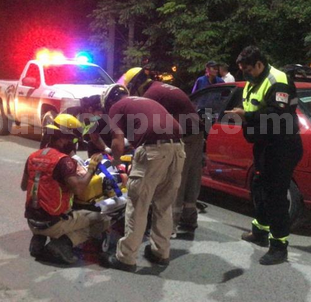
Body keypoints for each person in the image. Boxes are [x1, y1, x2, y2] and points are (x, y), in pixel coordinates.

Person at [225, 46, 303, 265]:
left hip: (282, 145)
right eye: (242, 70)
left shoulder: (277, 80)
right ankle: (259, 230)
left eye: (248, 69)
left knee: (276, 195)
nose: (245, 73)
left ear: (259, 64)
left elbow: (276, 115)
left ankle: (279, 246)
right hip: (264, 145)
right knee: (259, 187)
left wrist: (246, 115)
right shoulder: (254, 81)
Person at [98, 84, 186, 272]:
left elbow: (117, 140)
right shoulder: (145, 101)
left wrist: (114, 161)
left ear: (110, 101)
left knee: (138, 205)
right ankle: (160, 252)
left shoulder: (116, 107)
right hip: (178, 149)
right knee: (163, 205)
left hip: (154, 151)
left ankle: (125, 258)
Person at [122, 67, 204, 236]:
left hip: (185, 135)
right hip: (197, 133)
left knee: (175, 180)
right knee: (192, 179)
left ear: (135, 84)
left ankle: (169, 228)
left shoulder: (150, 95)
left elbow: (147, 126)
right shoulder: (160, 87)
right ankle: (189, 219)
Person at [21, 113, 111, 264]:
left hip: (31, 221)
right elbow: (79, 190)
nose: (74, 144)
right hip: (53, 223)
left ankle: (38, 238)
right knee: (103, 220)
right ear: (63, 139)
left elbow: (24, 186)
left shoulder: (33, 156)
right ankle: (62, 244)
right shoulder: (64, 161)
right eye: (73, 140)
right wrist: (91, 169)